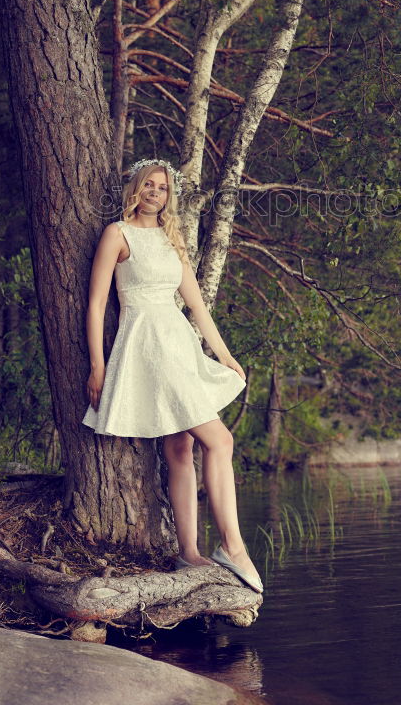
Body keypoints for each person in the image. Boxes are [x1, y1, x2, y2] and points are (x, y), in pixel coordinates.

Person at [81, 158, 263, 593]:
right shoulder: (117, 234)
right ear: (134, 188)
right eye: (149, 185)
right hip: (145, 347)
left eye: (163, 189)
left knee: (181, 446)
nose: (155, 194)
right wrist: (97, 364)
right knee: (219, 439)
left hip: (177, 345)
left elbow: (197, 306)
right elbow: (96, 304)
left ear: (169, 196)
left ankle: (189, 552)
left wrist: (224, 355)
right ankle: (233, 547)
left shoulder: (171, 238)